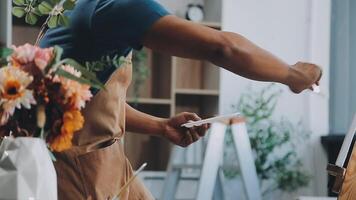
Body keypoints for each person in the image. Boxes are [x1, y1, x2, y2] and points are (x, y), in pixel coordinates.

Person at [40, 0, 322, 199]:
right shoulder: (116, 5)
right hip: (82, 170)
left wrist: (162, 126)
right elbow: (223, 48)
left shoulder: (78, 6)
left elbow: (90, 104)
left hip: (104, 161)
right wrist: (292, 74)